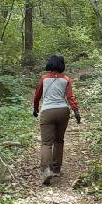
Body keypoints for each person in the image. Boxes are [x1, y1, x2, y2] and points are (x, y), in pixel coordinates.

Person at [32, 54, 81, 185]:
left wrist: (35, 108)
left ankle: (46, 170)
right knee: (59, 140)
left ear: (49, 64)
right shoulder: (66, 79)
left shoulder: (44, 78)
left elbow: (37, 95)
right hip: (63, 111)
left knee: (46, 143)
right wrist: (76, 111)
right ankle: (56, 169)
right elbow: (71, 97)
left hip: (47, 111)